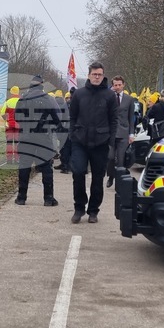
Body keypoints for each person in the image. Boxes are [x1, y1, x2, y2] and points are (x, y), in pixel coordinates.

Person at [68, 62, 116, 224]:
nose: (97, 77)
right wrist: (73, 134)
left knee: (98, 178)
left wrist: (111, 140)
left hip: (101, 142)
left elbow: (114, 120)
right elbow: (72, 117)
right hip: (80, 141)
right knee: (78, 172)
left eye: (100, 74)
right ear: (89, 75)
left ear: (103, 76)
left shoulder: (109, 96)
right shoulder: (79, 94)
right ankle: (79, 207)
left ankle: (93, 210)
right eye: (94, 74)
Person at [14, 75, 62, 206]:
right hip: (43, 138)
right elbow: (58, 118)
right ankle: (48, 198)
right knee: (47, 167)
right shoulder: (49, 99)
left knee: (24, 167)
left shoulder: (22, 99)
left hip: (26, 137)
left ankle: (21, 197)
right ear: (42, 86)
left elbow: (17, 117)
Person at [107, 75, 137, 189]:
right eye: (115, 85)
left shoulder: (129, 99)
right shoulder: (109, 98)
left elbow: (131, 118)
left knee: (121, 160)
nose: (118, 87)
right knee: (110, 157)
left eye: (119, 85)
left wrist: (131, 134)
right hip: (111, 133)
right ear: (112, 85)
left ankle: (119, 183)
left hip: (124, 132)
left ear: (123, 85)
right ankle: (110, 176)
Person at [1, 85, 21, 161]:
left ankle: (9, 159)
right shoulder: (21, 101)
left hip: (9, 124)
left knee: (9, 142)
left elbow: (2, 113)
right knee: (17, 142)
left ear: (11, 93)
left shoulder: (7, 102)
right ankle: (17, 158)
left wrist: (6, 120)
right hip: (18, 125)